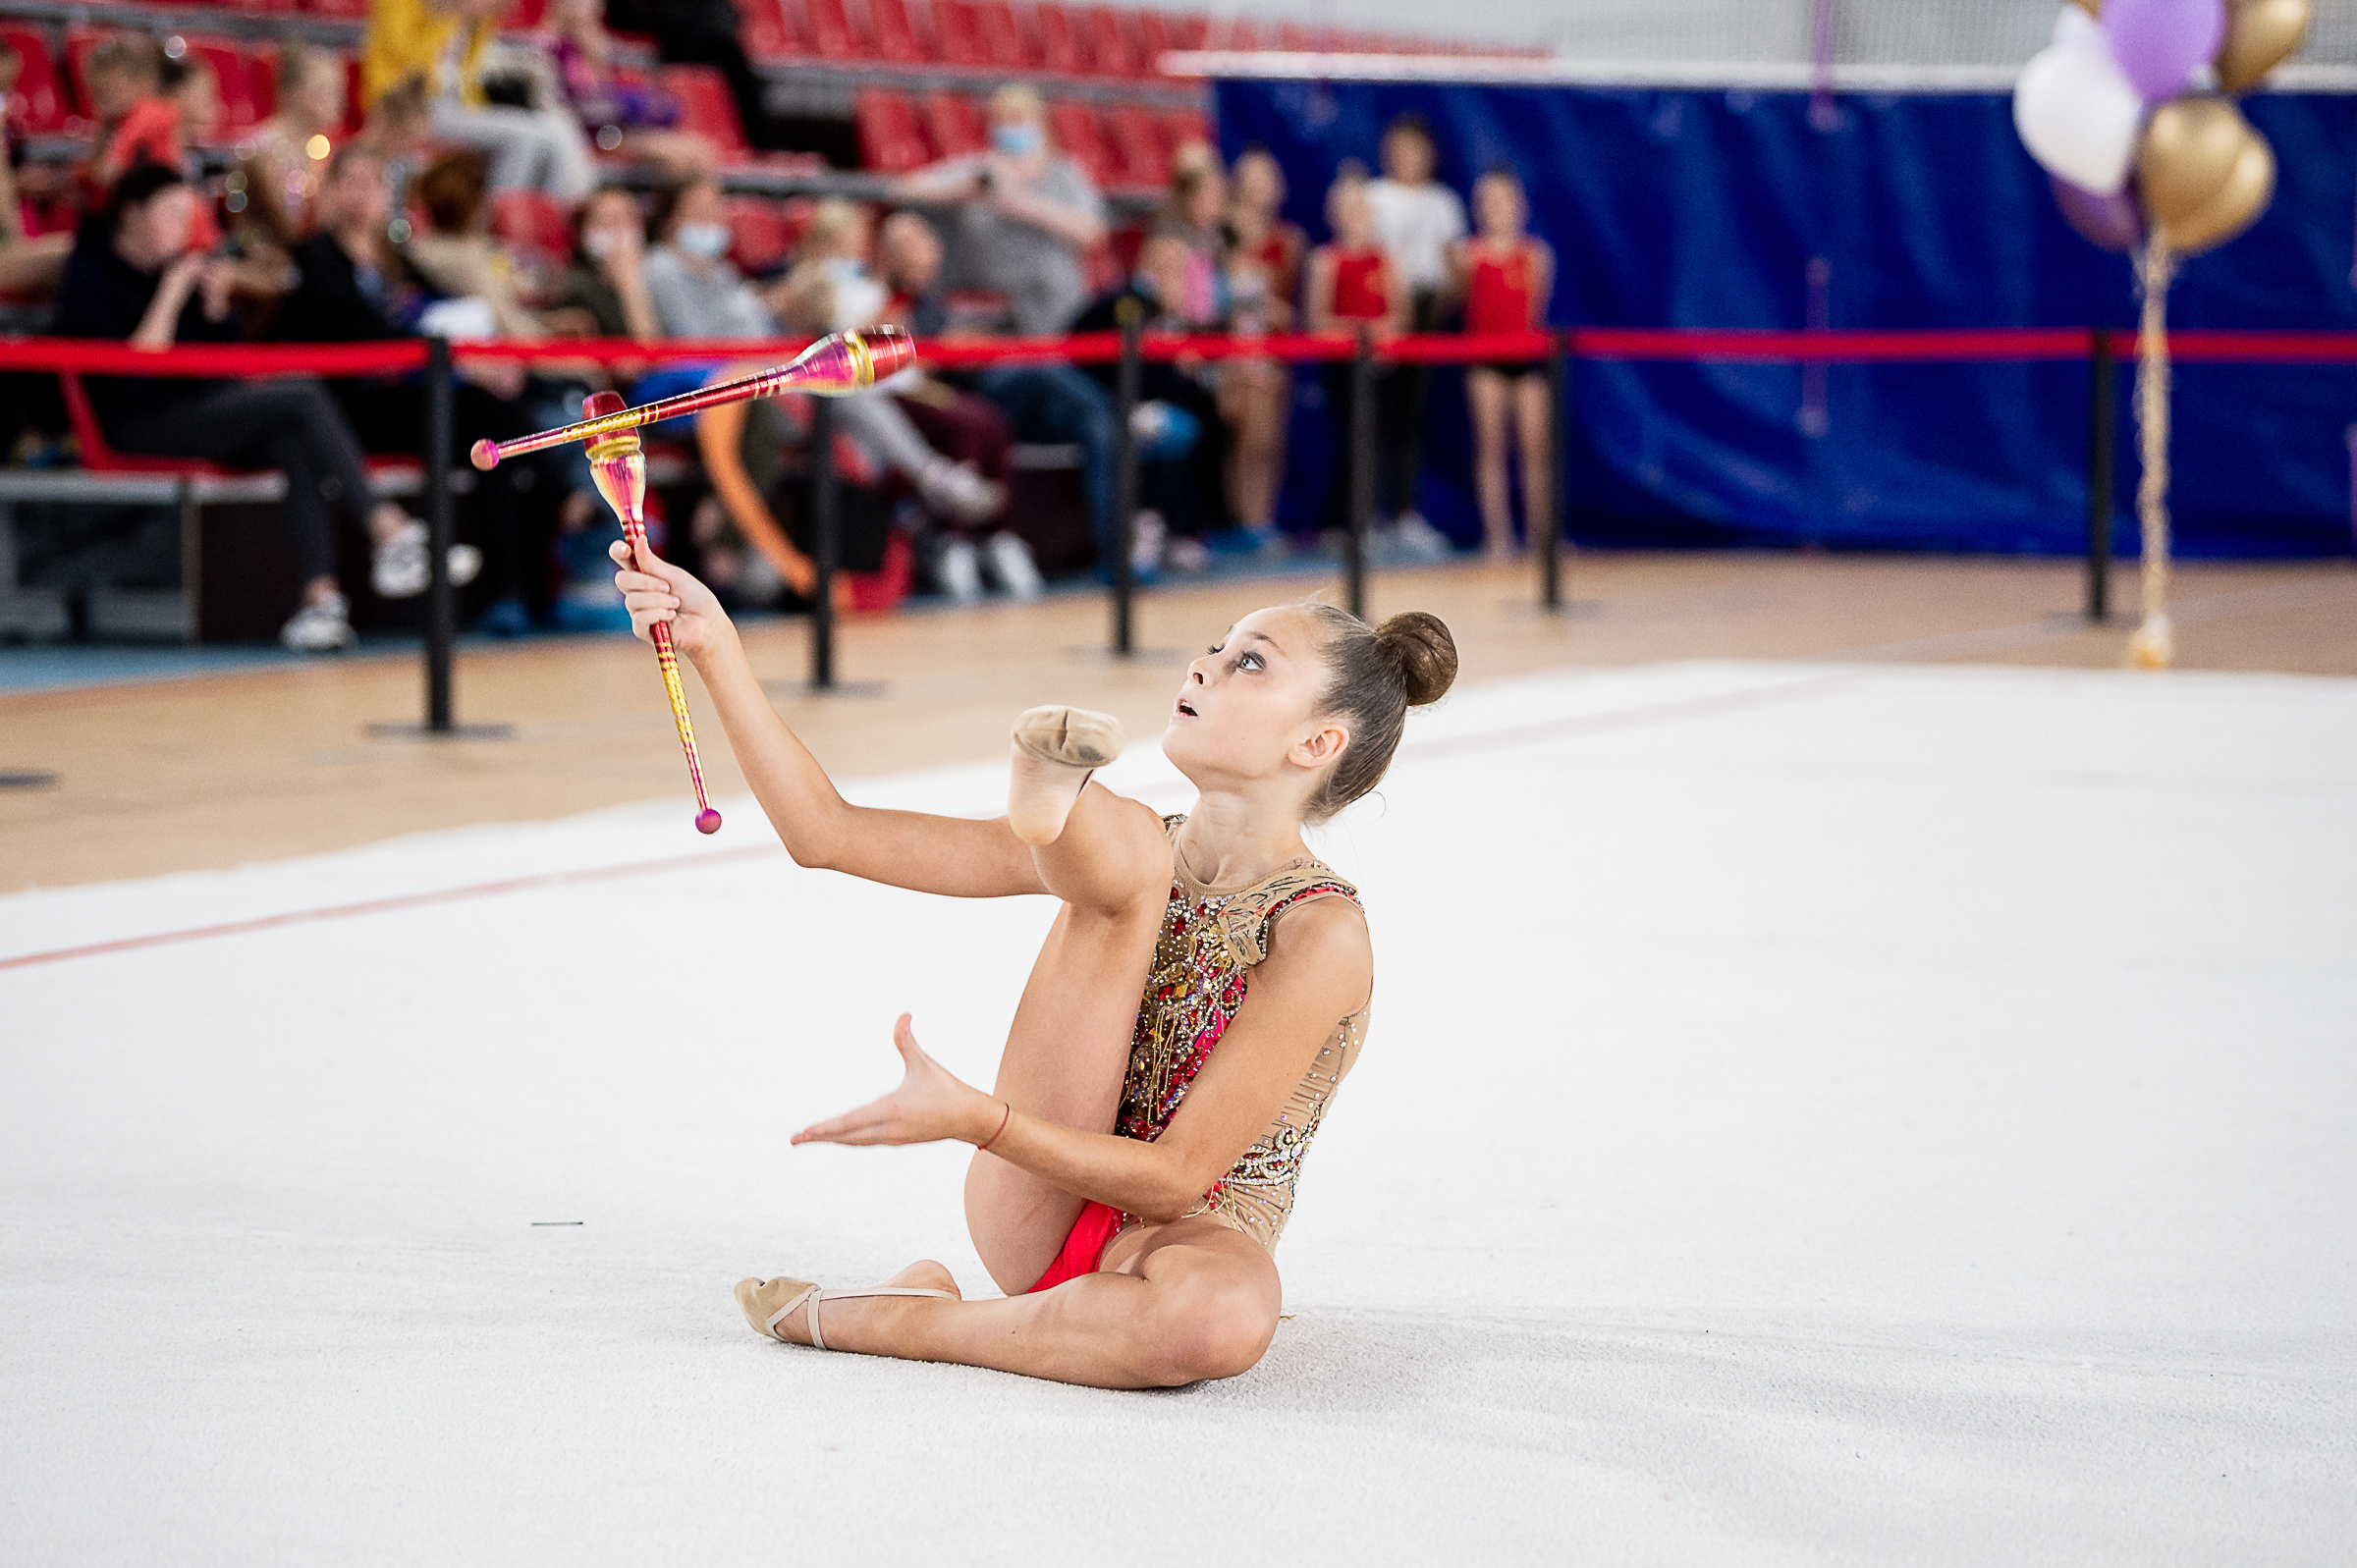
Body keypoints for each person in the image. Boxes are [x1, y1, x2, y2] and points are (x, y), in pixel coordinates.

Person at [608, 536, 1458, 1387]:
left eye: (1248, 663)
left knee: (1226, 1317)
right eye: (1215, 647)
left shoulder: (1321, 932)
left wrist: (975, 1117)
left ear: (1316, 743)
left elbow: (1176, 1180)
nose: (1202, 667)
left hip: (1177, 1239)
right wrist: (715, 646)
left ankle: (920, 1320)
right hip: (1033, 1211)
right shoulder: (1131, 851)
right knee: (1129, 855)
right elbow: (824, 831)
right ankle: (1056, 800)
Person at [56, 163, 475, 652]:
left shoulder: (182, 269)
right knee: (299, 392)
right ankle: (386, 527)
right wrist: (171, 295)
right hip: (136, 422)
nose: (180, 228)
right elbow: (131, 376)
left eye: (185, 216)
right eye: (169, 214)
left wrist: (215, 312)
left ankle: (320, 602)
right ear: (131, 215)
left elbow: (227, 369)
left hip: (201, 410)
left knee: (292, 437)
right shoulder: (90, 274)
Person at [272, 142, 572, 632]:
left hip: (410, 397)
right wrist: (460, 363)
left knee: (488, 438)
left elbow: (435, 308)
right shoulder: (316, 258)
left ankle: (515, 593)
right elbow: (364, 332)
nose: (361, 195)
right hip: (349, 409)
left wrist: (475, 358)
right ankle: (560, 490)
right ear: (330, 192)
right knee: (478, 411)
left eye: (372, 183)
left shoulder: (395, 261)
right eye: (350, 182)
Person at [644, 178, 1003, 528]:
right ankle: (927, 482)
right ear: (671, 217)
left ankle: (898, 523)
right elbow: (695, 342)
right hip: (727, 389)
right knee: (844, 389)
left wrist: (772, 309)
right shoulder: (663, 268)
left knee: (854, 414)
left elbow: (759, 329)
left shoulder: (722, 271)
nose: (713, 220)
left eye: (715, 209)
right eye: (700, 210)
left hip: (770, 377)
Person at [779, 200, 1034, 601]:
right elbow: (827, 346)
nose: (850, 253)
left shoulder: (874, 286)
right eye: (840, 244)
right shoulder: (806, 286)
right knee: (965, 429)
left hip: (911, 384)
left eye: (855, 244)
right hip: (868, 394)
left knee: (990, 422)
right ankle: (952, 532)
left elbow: (906, 341)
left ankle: (997, 537)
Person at [876, 206, 1119, 586]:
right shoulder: (885, 298)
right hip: (931, 392)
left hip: (971, 385)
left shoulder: (935, 299)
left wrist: (969, 341)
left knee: (1017, 409)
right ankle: (956, 539)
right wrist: (945, 349)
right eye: (910, 246)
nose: (922, 253)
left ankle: (997, 537)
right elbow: (893, 362)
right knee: (1040, 371)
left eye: (924, 244)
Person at [1070, 233, 1232, 578]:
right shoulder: (1126, 301)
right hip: (1103, 403)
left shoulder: (1162, 312)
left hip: (1137, 405)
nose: (1180, 279)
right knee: (1170, 429)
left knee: (1195, 423)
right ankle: (1136, 538)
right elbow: (1116, 364)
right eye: (1172, 269)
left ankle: (1171, 528)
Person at [891, 83, 1105, 339]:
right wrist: (963, 190)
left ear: (1040, 123)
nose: (1010, 127)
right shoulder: (979, 170)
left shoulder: (1064, 173)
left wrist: (1027, 206)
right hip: (986, 311)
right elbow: (901, 189)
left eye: (1018, 119)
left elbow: (1092, 232)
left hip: (1051, 311)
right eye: (1002, 119)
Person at [363, 0, 594, 200]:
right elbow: (408, 59)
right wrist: (454, 15)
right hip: (408, 105)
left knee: (552, 130)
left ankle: (546, 216)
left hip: (455, 109)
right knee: (522, 137)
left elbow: (469, 80)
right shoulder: (405, 4)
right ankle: (500, 216)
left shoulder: (480, 18)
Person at [1363, 114, 1463, 559]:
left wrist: (1428, 315)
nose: (1408, 159)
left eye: (1416, 150)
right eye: (1400, 149)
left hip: (1423, 315)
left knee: (1409, 419)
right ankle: (1368, 519)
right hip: (1379, 316)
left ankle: (1405, 514)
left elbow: (1452, 268)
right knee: (1372, 418)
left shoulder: (1443, 203)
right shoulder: (1374, 196)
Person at [1452, 165, 1554, 561]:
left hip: (1525, 359)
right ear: (1479, 208)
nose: (1497, 209)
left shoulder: (1536, 254)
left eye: (1504, 201)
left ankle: (1539, 534)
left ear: (1520, 206)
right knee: (1491, 446)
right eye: (1488, 202)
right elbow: (1465, 303)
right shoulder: (1467, 255)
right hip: (1484, 361)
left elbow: (1533, 311)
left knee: (1535, 446)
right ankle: (1498, 535)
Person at [1304, 172, 1404, 544]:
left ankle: (1372, 514)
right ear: (1334, 214)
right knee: (1349, 438)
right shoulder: (1326, 260)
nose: (1355, 215)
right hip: (1343, 365)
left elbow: (1399, 313)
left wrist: (1380, 336)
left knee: (1379, 437)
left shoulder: (1386, 260)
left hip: (1380, 364)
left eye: (1361, 206)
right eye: (1347, 207)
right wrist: (1356, 330)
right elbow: (1317, 320)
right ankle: (1341, 518)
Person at [1219, 145, 1303, 550]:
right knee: (1244, 438)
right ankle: (1241, 519)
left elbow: (1283, 304)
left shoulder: (1287, 240)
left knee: (1268, 439)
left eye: (1266, 178)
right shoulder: (1223, 236)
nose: (1258, 188)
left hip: (1271, 350)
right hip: (1234, 351)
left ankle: (1262, 519)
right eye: (1250, 178)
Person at [539, 0, 715, 181]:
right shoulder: (555, 49)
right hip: (592, 139)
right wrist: (630, 106)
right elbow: (584, 110)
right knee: (683, 158)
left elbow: (664, 109)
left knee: (700, 151)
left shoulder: (600, 46)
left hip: (617, 134)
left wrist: (634, 106)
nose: (587, 7)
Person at [240, 39, 347, 241]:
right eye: (329, 90)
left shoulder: (322, 147)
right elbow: (287, 228)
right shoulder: (264, 150)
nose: (341, 101)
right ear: (298, 93)